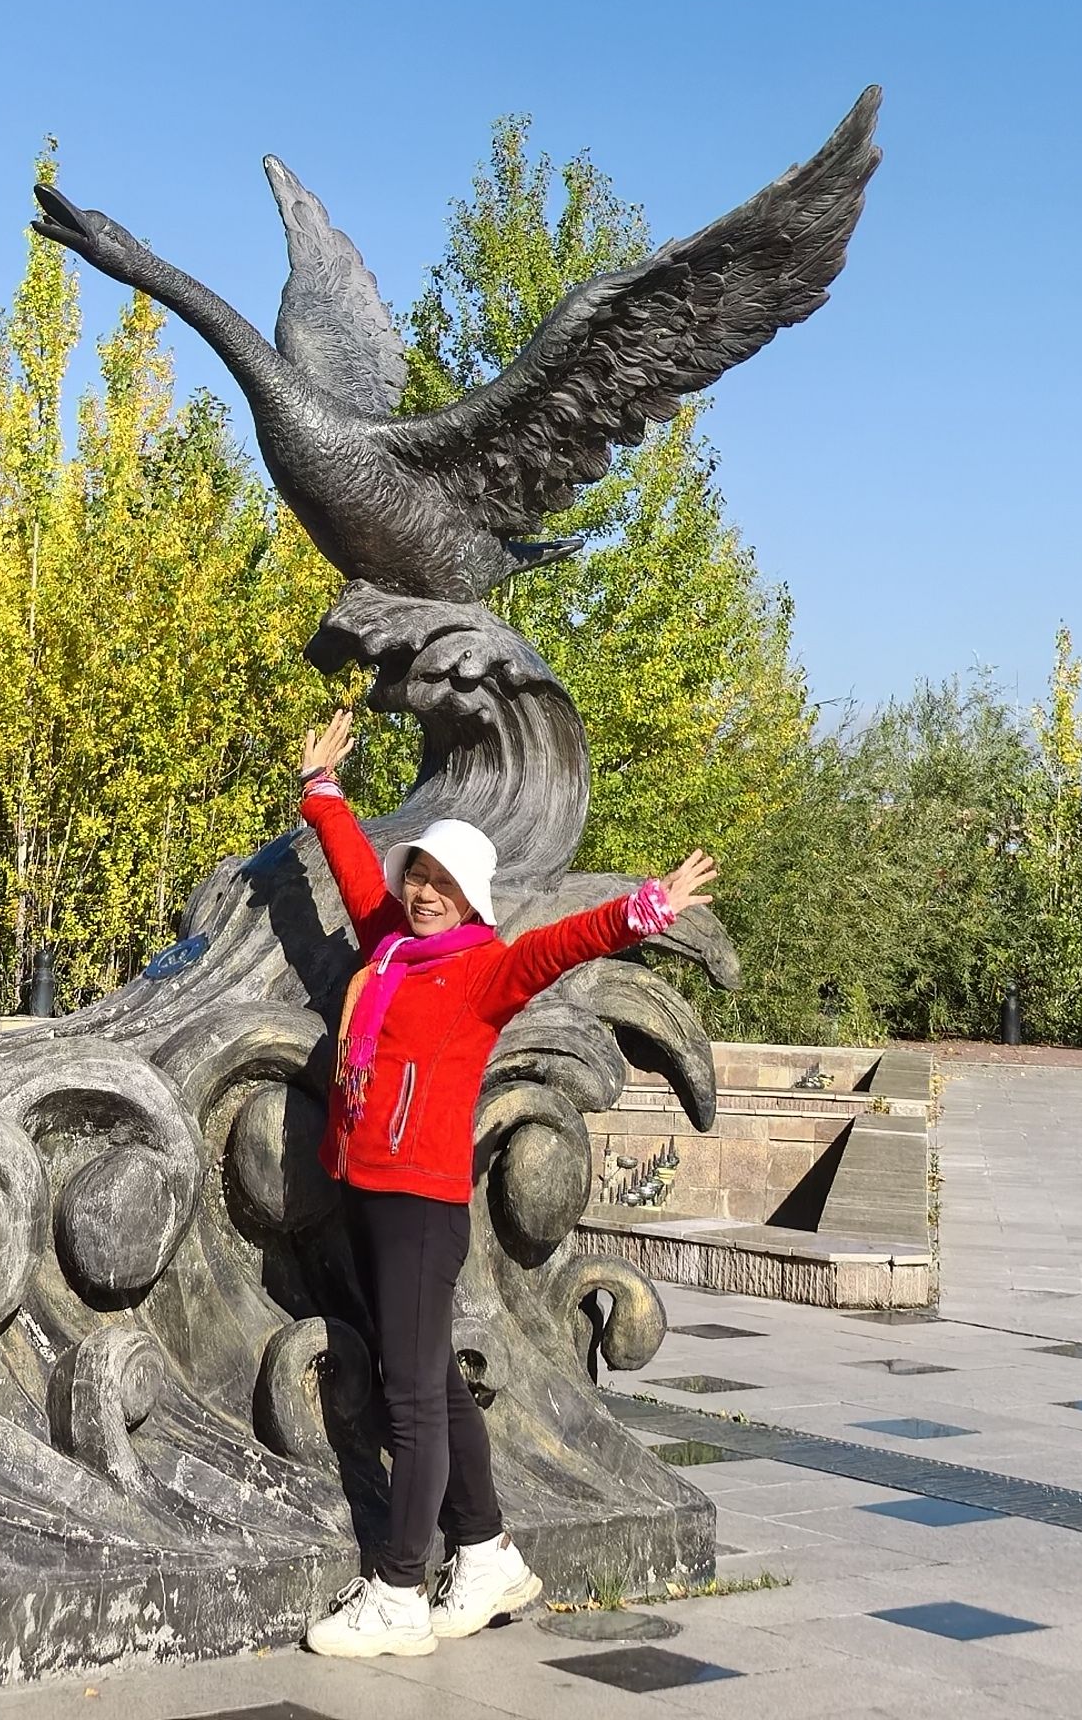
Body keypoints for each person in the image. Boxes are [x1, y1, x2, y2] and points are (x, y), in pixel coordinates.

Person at [291, 705, 719, 1661]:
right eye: (419, 876)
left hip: (419, 1206)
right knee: (433, 1382)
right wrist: (322, 793)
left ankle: (399, 1590)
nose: (424, 893)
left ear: (472, 898)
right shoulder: (390, 949)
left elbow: (560, 945)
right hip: (369, 1188)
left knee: (410, 1398)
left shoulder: (483, 969)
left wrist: (646, 908)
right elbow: (355, 872)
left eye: (444, 884)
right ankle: (486, 1555)